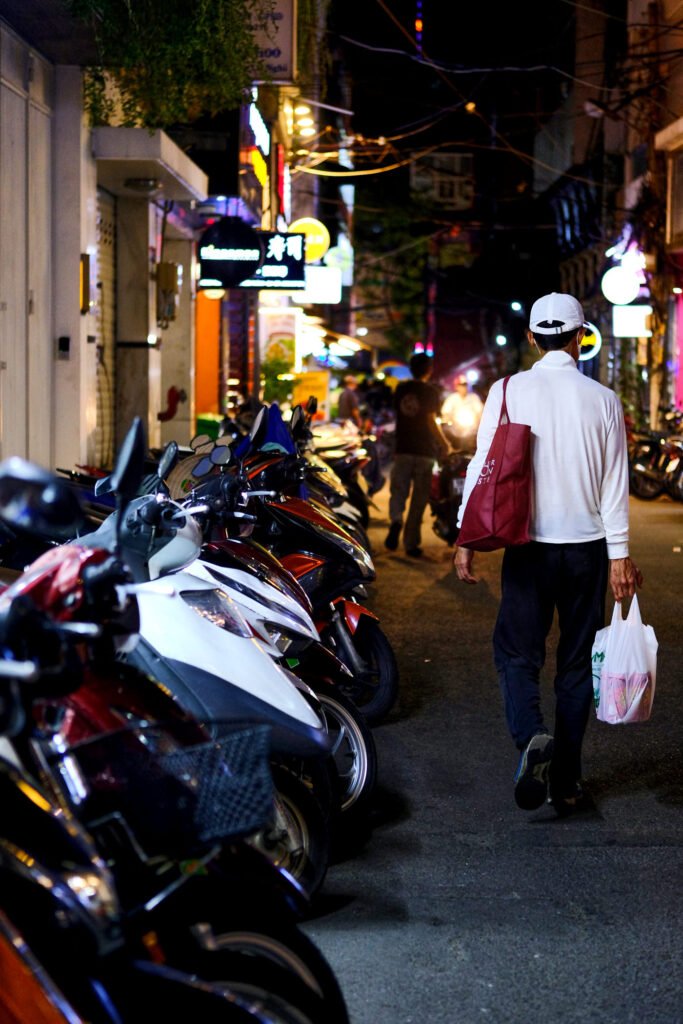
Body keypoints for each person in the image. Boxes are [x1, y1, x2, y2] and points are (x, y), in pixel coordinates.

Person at [452, 292, 643, 816]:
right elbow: (614, 484)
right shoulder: (603, 400)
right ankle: (569, 782)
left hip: (528, 546)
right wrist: (620, 556)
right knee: (576, 666)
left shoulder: (508, 390)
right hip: (587, 551)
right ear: (581, 336)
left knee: (517, 654)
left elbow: (483, 467)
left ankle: (533, 736)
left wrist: (466, 536)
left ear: (533, 338)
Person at [385, 352, 451, 557]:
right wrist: (445, 443)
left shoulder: (401, 389)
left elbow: (398, 413)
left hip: (403, 448)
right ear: (429, 369)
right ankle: (411, 543)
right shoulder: (430, 391)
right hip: (424, 452)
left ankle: (396, 520)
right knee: (419, 499)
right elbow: (431, 420)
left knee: (399, 491)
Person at [440, 373, 484, 450]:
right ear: (456, 387)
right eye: (461, 385)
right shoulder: (452, 398)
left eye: (465, 385)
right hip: (456, 429)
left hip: (472, 429)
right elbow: (445, 412)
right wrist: (451, 419)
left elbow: (480, 412)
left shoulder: (474, 397)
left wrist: (477, 421)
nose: (463, 387)